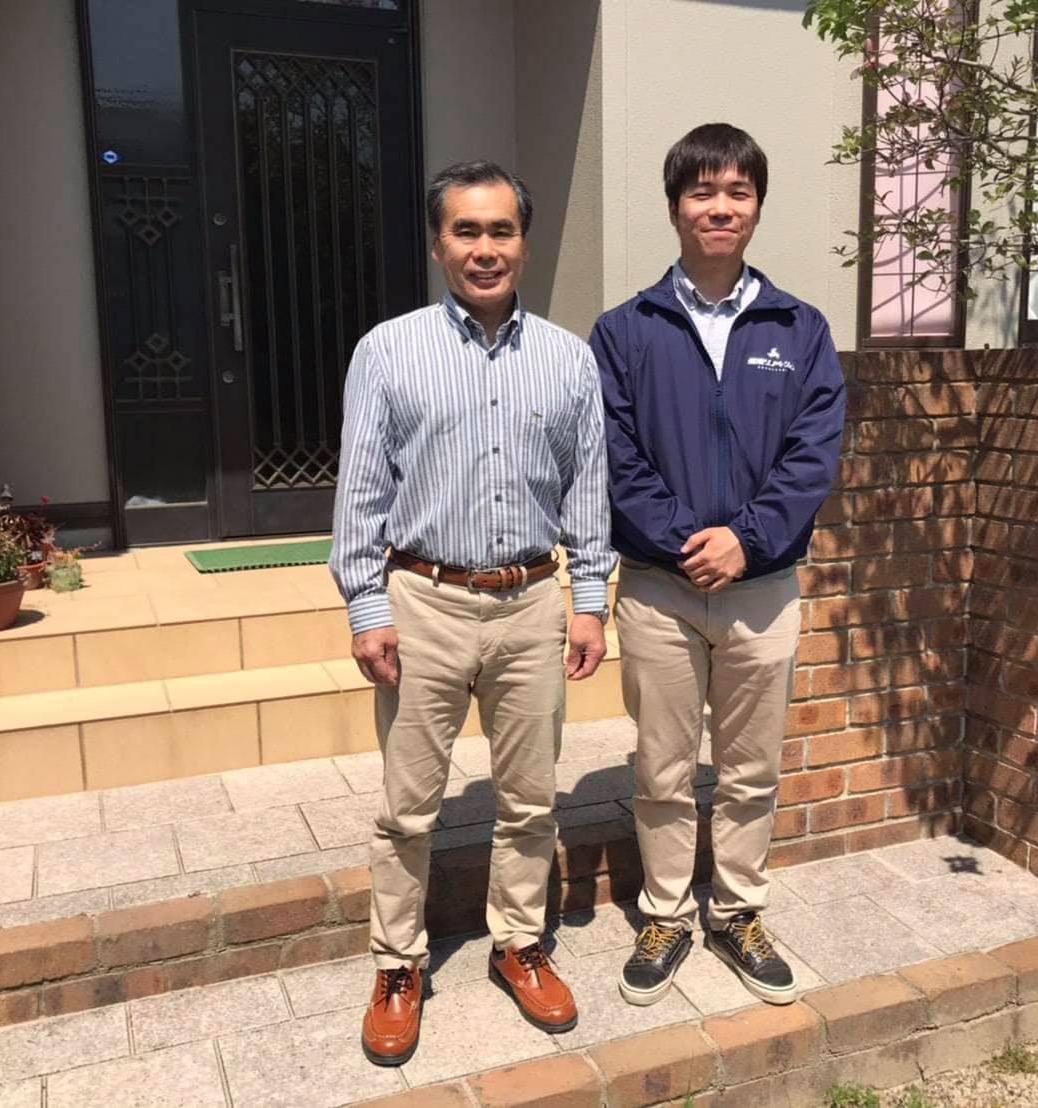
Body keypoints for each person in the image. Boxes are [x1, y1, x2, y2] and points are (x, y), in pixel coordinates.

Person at [331, 160, 616, 1066]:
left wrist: (588, 602)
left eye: (501, 230)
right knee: (407, 808)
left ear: (524, 243)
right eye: (466, 230)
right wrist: (366, 605)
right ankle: (397, 964)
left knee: (530, 799)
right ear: (437, 243)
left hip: (531, 602)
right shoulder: (388, 351)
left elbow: (589, 491)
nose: (485, 248)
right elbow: (361, 491)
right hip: (423, 602)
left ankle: (519, 944)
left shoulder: (568, 359)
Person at [589, 123, 846, 1006]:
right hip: (658, 591)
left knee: (750, 768)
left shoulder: (799, 328)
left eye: (738, 191)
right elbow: (615, 453)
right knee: (662, 767)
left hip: (763, 591)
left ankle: (736, 910)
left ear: (757, 207)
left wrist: (748, 538)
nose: (721, 207)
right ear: (675, 207)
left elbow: (813, 454)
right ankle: (665, 911)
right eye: (703, 191)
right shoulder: (625, 331)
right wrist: (684, 541)